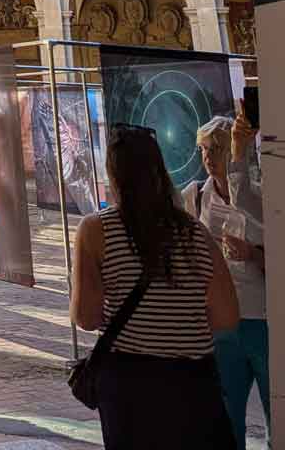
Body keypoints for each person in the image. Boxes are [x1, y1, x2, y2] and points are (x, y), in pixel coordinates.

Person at [71, 123, 239, 449]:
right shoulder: (196, 233)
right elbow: (228, 318)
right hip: (193, 387)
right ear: (158, 170)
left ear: (114, 174)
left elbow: (86, 318)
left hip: (129, 389)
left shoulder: (94, 231)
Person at [185, 111, 269, 449]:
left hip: (263, 320)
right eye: (204, 149)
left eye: (216, 149)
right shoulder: (195, 196)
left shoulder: (261, 196)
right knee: (225, 419)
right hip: (221, 323)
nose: (208, 157)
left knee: (275, 415)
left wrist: (253, 254)